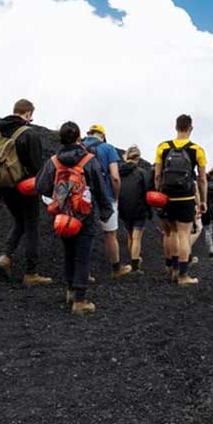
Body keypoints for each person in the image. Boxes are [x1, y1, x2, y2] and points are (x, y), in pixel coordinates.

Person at [36, 122, 113, 315]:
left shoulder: (53, 161)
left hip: (62, 213)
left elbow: (40, 186)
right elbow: (100, 188)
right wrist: (105, 211)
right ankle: (80, 301)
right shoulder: (89, 160)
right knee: (83, 255)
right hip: (85, 213)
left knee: (68, 252)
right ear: (79, 137)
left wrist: (58, 194)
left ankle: (70, 291)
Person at [0, 99, 51, 286]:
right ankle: (31, 273)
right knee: (31, 225)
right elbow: (37, 166)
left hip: (3, 184)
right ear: (28, 114)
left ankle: (5, 258)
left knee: (19, 221)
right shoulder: (28, 133)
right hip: (25, 187)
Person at [153, 114, 207, 286]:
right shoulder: (197, 150)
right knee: (184, 234)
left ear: (176, 127)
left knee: (169, 232)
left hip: (167, 196)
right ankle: (183, 275)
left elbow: (157, 175)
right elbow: (202, 179)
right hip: (186, 196)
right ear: (190, 128)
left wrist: (158, 193)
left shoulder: (162, 147)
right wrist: (203, 201)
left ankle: (170, 268)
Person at [82, 124, 123, 278]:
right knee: (110, 234)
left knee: (84, 236)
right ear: (103, 135)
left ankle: (84, 273)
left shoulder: (78, 146)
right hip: (106, 197)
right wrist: (116, 197)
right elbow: (115, 177)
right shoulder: (108, 148)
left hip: (83, 197)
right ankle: (116, 269)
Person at [117, 144, 151, 275]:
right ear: (138, 158)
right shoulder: (141, 172)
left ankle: (133, 261)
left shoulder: (119, 172)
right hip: (138, 208)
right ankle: (135, 267)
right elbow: (147, 192)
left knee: (130, 236)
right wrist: (149, 210)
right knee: (136, 237)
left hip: (124, 208)